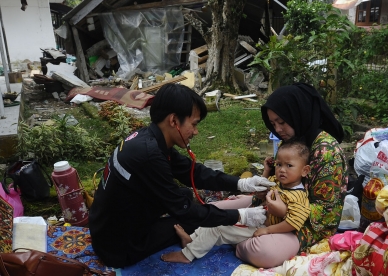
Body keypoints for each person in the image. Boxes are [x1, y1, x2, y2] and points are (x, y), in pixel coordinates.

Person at [88, 84, 275, 268]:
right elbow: (185, 211)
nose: (196, 132)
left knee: (185, 195)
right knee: (189, 219)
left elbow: (194, 172)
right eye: (193, 124)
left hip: (107, 226)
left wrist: (243, 183)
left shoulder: (148, 139)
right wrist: (240, 216)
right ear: (174, 121)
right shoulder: (149, 156)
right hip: (118, 248)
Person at [213, 83, 347, 268]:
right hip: (272, 207)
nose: (278, 129)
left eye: (282, 122)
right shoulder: (291, 142)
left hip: (303, 225)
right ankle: (233, 232)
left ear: (298, 113)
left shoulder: (326, 152)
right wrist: (265, 190)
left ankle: (235, 235)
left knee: (262, 251)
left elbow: (327, 214)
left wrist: (284, 211)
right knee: (213, 210)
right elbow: (280, 181)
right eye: (273, 124)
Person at [160, 141, 311, 263]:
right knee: (216, 217)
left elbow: (293, 223)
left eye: (289, 165)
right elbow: (262, 185)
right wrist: (266, 172)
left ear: (304, 171)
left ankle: (188, 255)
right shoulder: (278, 182)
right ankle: (192, 240)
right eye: (279, 165)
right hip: (256, 219)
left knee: (217, 227)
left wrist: (267, 230)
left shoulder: (299, 197)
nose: (282, 170)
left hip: (266, 227)